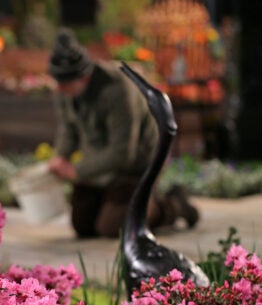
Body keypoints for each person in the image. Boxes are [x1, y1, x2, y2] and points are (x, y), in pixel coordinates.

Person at [46, 28, 199, 238]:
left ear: (83, 78)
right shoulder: (65, 91)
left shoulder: (117, 89)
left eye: (65, 84)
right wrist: (60, 157)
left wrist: (77, 171)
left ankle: (172, 206)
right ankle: (112, 202)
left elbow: (123, 152)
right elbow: (68, 127)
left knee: (114, 227)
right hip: (100, 165)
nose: (60, 89)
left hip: (136, 165)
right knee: (83, 225)